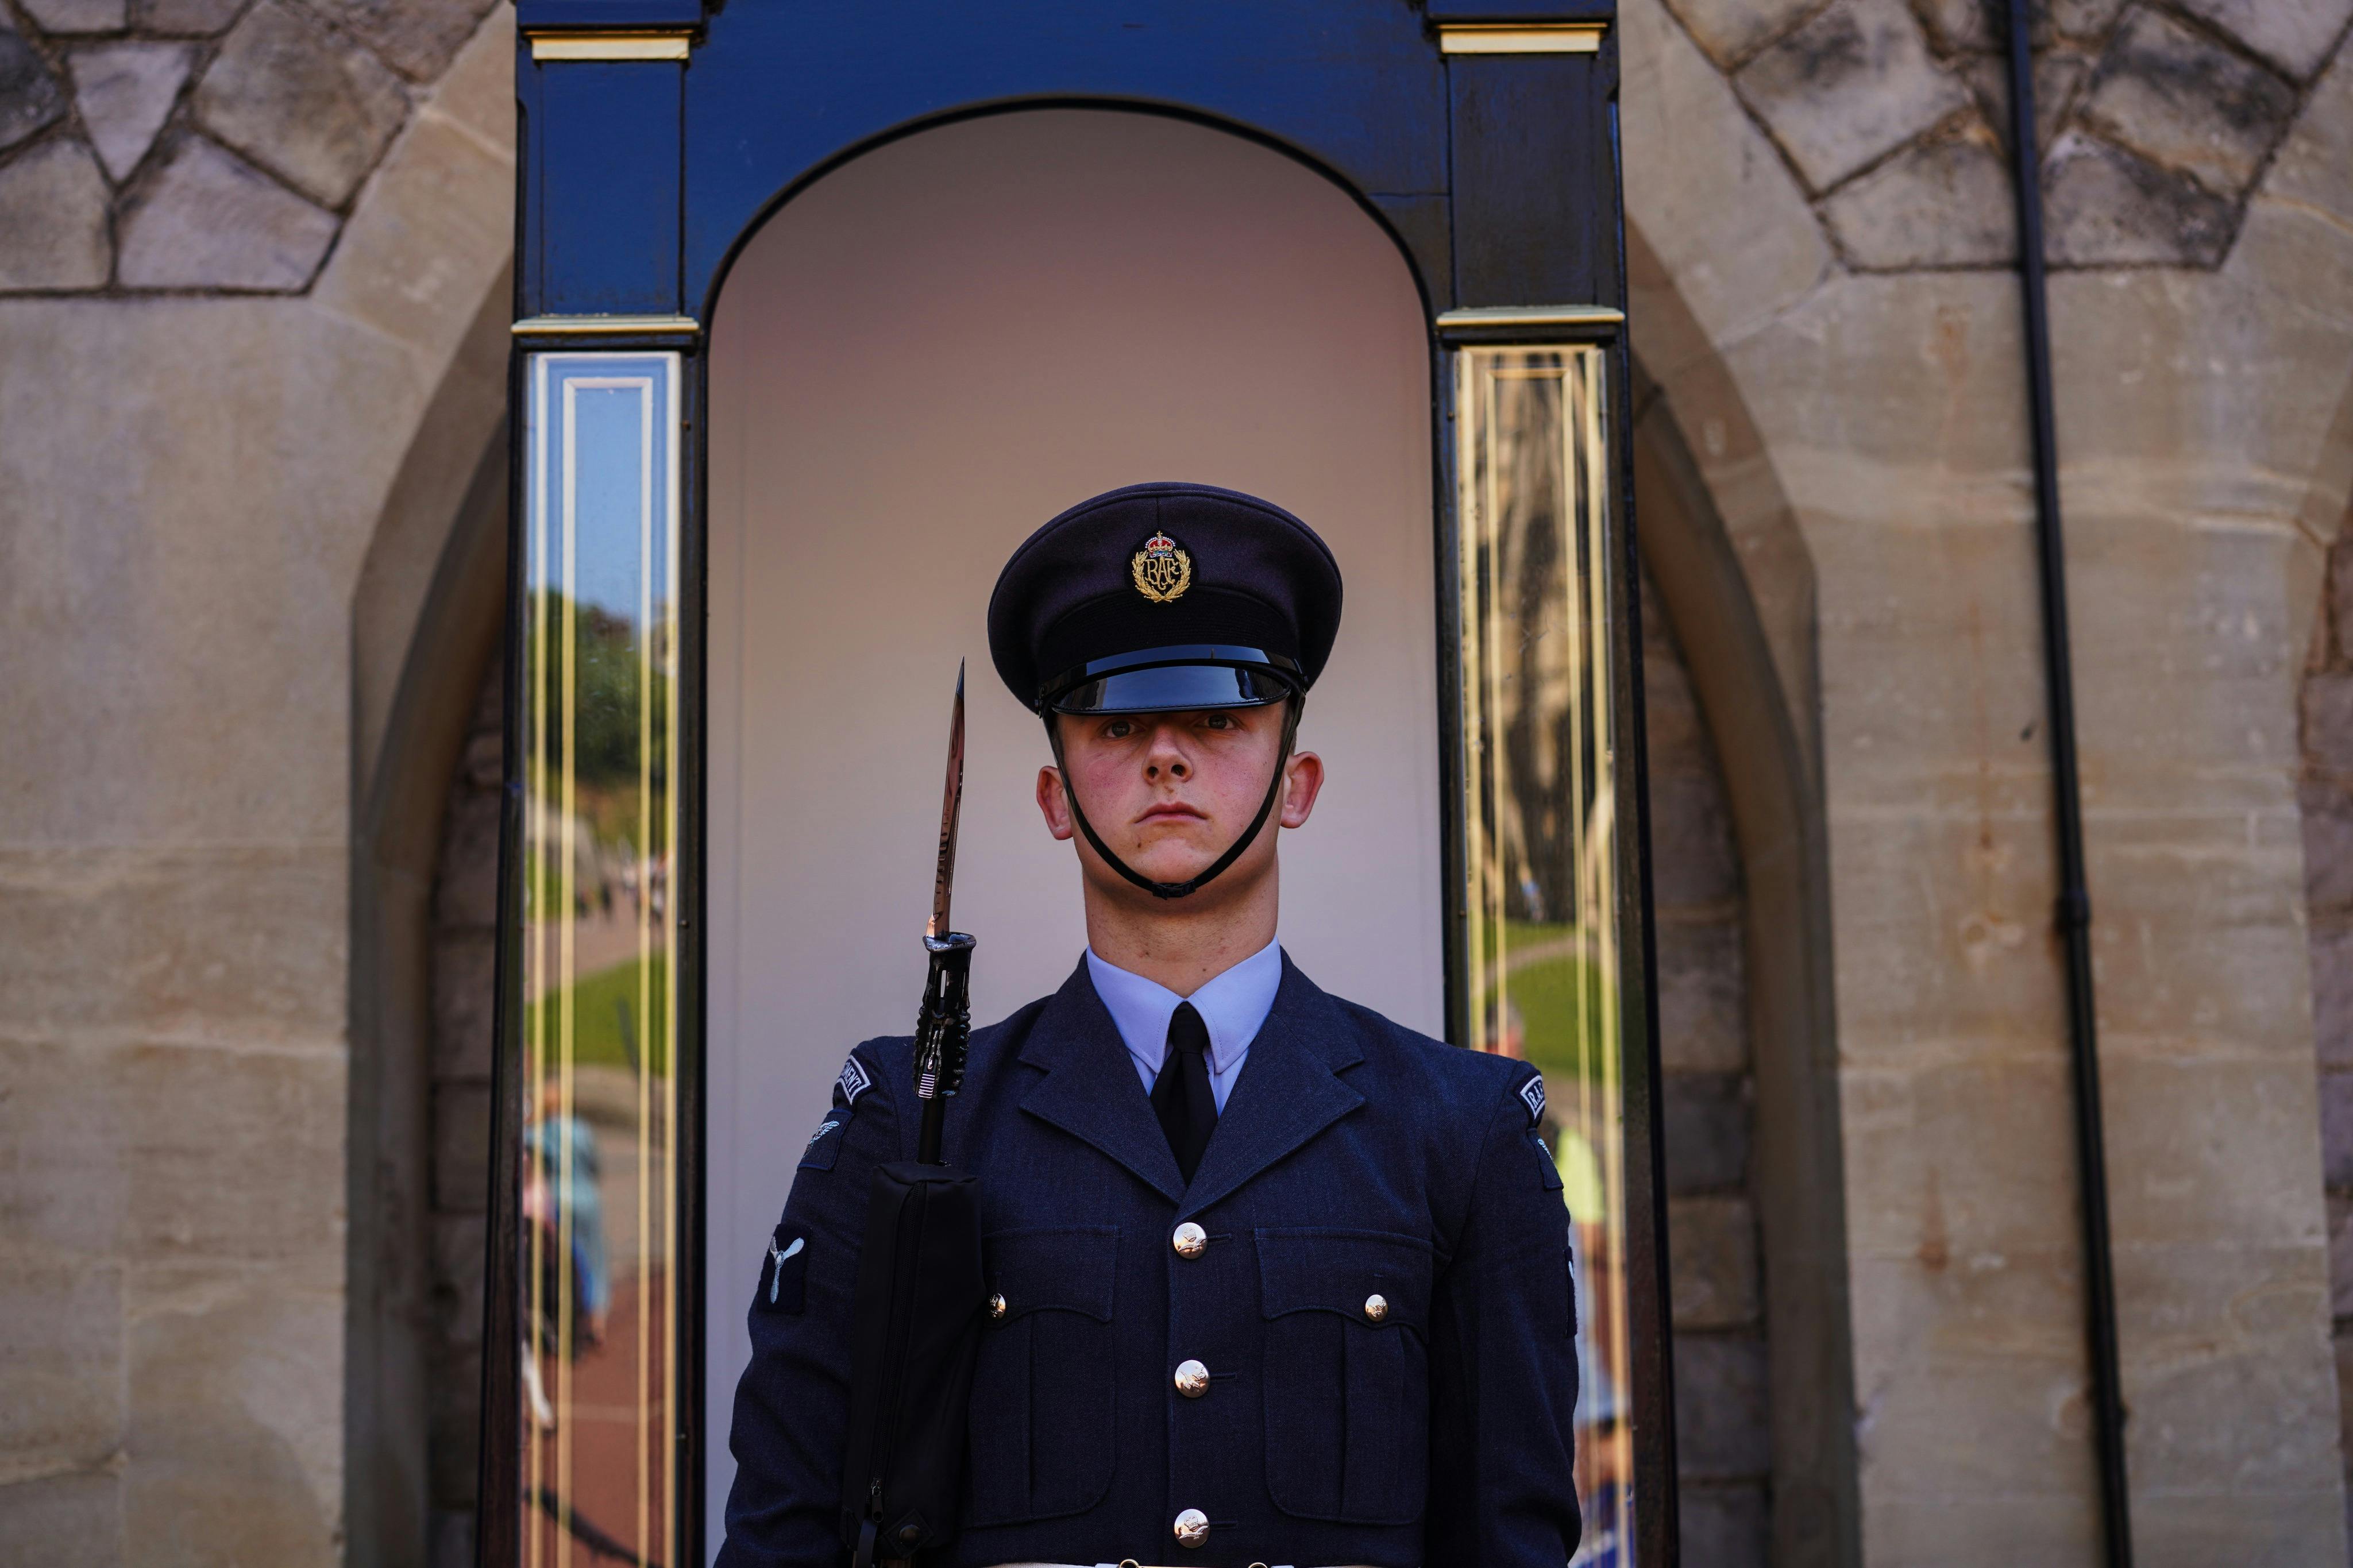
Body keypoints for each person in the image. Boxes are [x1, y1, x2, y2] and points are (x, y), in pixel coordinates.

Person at [720, 482, 1581, 1568]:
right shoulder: (913, 1121)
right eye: (1116, 723)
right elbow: (783, 1531)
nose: (1166, 756)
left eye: (1221, 719)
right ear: (1051, 797)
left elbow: (1512, 1540)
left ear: (1297, 782)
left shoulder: (1459, 1132)